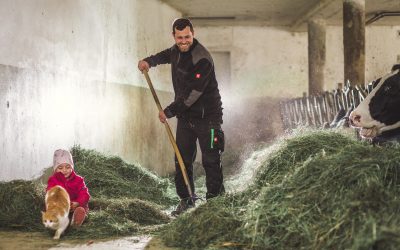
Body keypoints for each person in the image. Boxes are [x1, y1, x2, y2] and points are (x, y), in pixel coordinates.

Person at [138, 18, 225, 215]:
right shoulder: (176, 51)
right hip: (186, 118)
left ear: (193, 34)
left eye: (187, 37)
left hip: (208, 117)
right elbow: (165, 55)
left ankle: (215, 203)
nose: (183, 41)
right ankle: (186, 200)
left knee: (211, 159)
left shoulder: (202, 58)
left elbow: (193, 93)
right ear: (174, 36)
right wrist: (148, 62)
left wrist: (169, 112)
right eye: (179, 38)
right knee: (182, 159)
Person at [46, 149, 90, 227]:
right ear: (55, 169)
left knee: (81, 209)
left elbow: (84, 193)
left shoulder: (79, 180)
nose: (64, 170)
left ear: (72, 167)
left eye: (68, 167)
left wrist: (78, 202)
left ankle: (77, 220)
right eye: (60, 168)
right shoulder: (53, 181)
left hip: (76, 205)